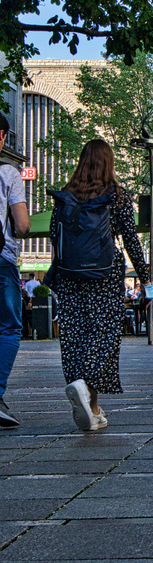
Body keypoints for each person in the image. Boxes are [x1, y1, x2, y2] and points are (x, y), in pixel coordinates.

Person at [49, 139, 148, 430]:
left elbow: (55, 235)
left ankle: (91, 406)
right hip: (105, 275)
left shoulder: (65, 195)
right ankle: (85, 385)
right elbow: (130, 238)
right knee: (103, 334)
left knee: (74, 336)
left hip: (69, 276)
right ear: (109, 163)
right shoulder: (116, 195)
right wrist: (143, 277)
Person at [0, 116, 30, 427]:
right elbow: (21, 225)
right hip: (1, 259)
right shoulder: (7, 172)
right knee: (8, 327)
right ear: (3, 136)